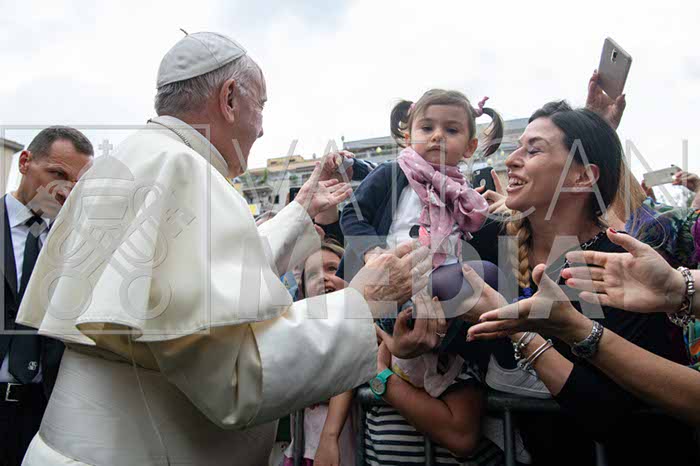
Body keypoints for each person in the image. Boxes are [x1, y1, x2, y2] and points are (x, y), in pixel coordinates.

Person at [16, 32, 439, 466]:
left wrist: (300, 212)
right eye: (262, 106)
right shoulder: (184, 169)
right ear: (230, 98)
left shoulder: (135, 158)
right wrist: (362, 301)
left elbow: (218, 280)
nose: (262, 127)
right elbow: (236, 379)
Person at [456, 101, 697, 466]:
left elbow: (616, 418)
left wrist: (523, 334)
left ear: (582, 177)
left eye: (534, 150)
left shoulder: (621, 266)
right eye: (517, 147)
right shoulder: (491, 242)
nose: (512, 160)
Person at [468, 228, 700, 426]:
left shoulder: (613, 251)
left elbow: (612, 415)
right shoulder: (502, 239)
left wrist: (532, 334)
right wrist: (678, 288)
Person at [0, 126, 94, 466]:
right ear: (25, 162)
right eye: (58, 174)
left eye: (78, 184)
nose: (67, 192)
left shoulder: (79, 249)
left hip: (42, 417)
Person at [284, 240, 356, 466]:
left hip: (342, 454)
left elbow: (348, 369)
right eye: (312, 274)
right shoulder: (297, 332)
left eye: (332, 269)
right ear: (304, 291)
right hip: (300, 452)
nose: (322, 278)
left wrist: (329, 436)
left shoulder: (361, 327)